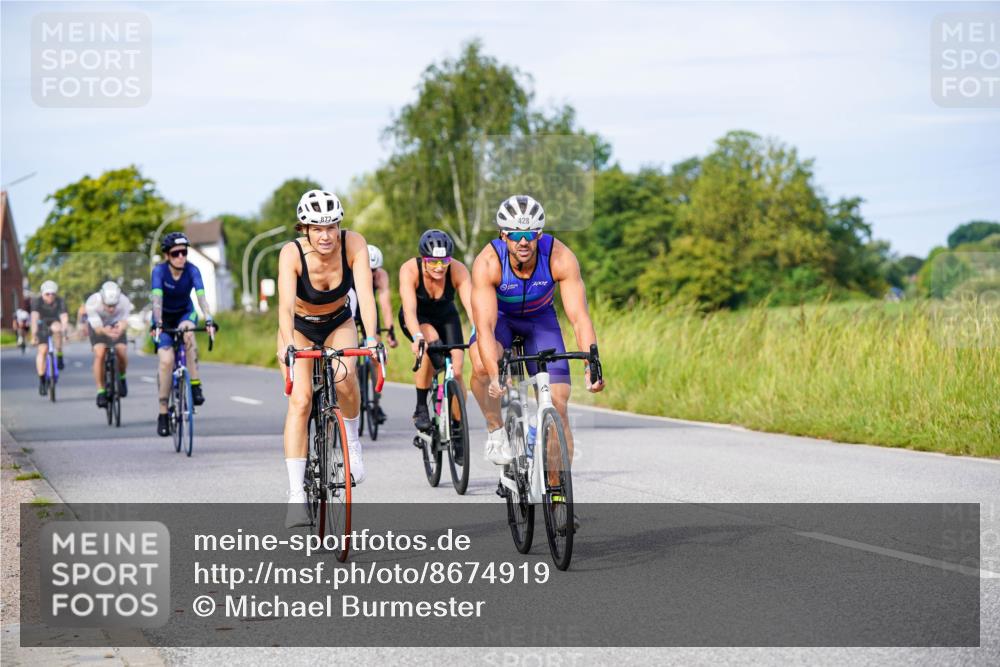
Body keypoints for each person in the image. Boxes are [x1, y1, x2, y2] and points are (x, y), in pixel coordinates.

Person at [469, 195, 604, 476]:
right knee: (481, 365)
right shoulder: (488, 262)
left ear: (539, 234)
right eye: (516, 235)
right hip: (501, 321)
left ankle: (556, 493)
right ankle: (496, 431)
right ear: (503, 235)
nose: (523, 242)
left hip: (540, 322)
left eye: (529, 234)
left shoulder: (560, 257)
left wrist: (592, 363)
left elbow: (579, 318)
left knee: (558, 403)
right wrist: (495, 374)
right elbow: (484, 327)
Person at [276, 189, 379, 528]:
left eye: (332, 226)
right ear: (304, 228)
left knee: (345, 375)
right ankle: (295, 495)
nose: (326, 235)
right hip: (299, 328)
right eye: (318, 228)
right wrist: (289, 345)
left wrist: (373, 338)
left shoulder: (354, 244)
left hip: (338, 322)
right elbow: (286, 306)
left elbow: (365, 295)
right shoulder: (291, 254)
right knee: (301, 400)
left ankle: (350, 442)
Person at [398, 229, 474, 431]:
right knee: (429, 340)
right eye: (433, 262)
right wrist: (417, 336)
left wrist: (480, 334)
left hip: (446, 316)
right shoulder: (410, 270)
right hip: (417, 317)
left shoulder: (458, 270)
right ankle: (421, 407)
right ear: (423, 259)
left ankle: (458, 428)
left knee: (457, 370)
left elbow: (472, 307)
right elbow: (410, 311)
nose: (439, 267)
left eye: (444, 261)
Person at [151, 232, 218, 437]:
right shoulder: (159, 272)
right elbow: (156, 301)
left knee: (188, 333)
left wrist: (208, 319)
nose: (181, 256)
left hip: (184, 314)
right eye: (176, 253)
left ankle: (195, 385)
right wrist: (158, 323)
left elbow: (201, 298)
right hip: (163, 317)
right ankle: (163, 413)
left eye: (184, 252)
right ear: (167, 256)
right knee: (166, 361)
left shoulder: (192, 270)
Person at [85, 281, 133, 407]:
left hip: (116, 326)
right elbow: (97, 328)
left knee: (121, 351)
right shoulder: (92, 302)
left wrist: (120, 329)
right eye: (108, 306)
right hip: (99, 327)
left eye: (114, 306)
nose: (111, 309)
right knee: (100, 353)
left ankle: (122, 377)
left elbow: (124, 321)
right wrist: (106, 332)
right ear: (102, 300)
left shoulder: (124, 301)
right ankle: (101, 391)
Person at [30, 280, 69, 393]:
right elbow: (34, 319)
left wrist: (65, 332)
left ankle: (60, 354)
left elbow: (64, 318)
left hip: (55, 323)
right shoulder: (37, 302)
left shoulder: (60, 301)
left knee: (57, 329)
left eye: (53, 294)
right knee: (42, 350)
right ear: (43, 294)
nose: (50, 296)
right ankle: (42, 380)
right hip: (42, 324)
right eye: (47, 294)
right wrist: (33, 335)